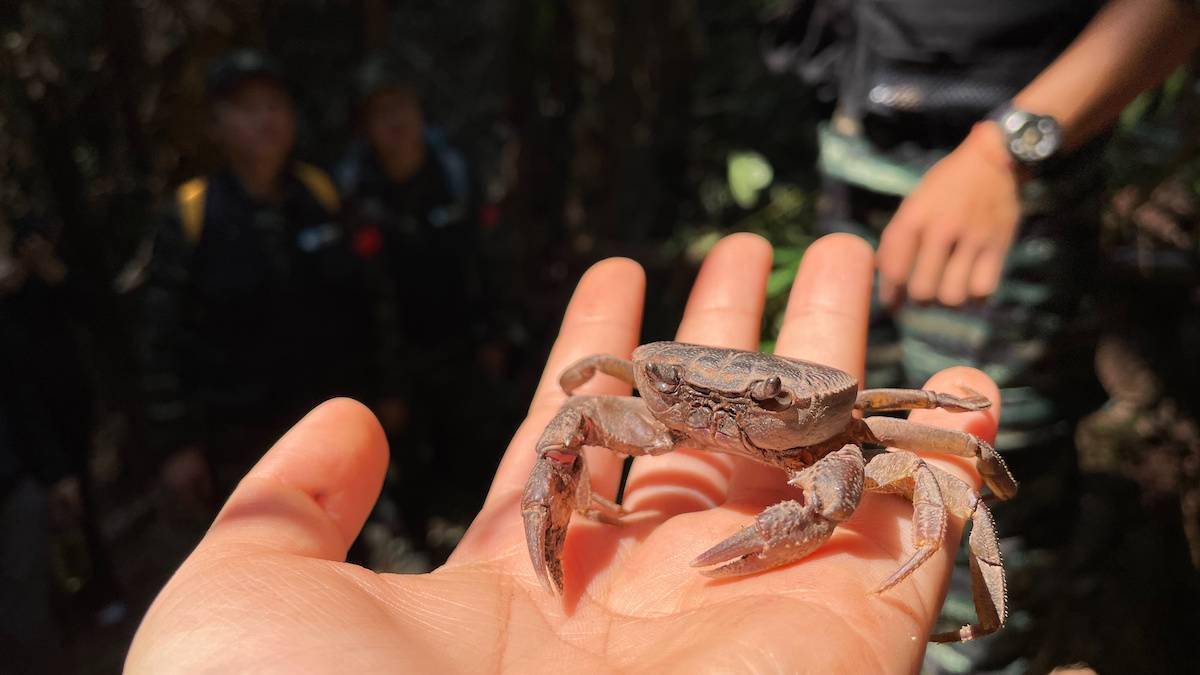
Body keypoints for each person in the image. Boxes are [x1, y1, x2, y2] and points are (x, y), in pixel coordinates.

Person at [127, 233, 1006, 672]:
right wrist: (611, 389)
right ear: (649, 371)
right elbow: (579, 405)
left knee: (944, 477)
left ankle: (995, 625)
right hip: (704, 411)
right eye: (671, 380)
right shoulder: (653, 390)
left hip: (808, 451)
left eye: (759, 402)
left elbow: (933, 461)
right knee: (568, 429)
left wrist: (952, 511)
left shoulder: (843, 428)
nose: (718, 412)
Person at [765, 0, 1200, 669]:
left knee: (976, 476)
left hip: (1000, 178)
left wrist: (1009, 149)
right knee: (837, 448)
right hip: (853, 141)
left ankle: (974, 654)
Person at [139, 49, 372, 517]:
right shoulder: (192, 213)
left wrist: (379, 394)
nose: (266, 119)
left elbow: (364, 299)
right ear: (215, 125)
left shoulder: (319, 194)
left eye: (274, 105)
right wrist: (176, 444)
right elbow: (159, 337)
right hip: (235, 441)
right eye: (248, 107)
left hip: (324, 422)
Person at [336, 56, 499, 550]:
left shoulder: (455, 172)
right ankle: (419, 548)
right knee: (404, 460)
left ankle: (485, 538)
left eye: (402, 106)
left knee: (472, 447)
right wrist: (382, 384)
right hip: (395, 358)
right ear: (365, 126)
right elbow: (356, 300)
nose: (396, 121)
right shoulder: (351, 191)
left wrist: (494, 333)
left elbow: (488, 260)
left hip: (461, 343)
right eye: (380, 111)